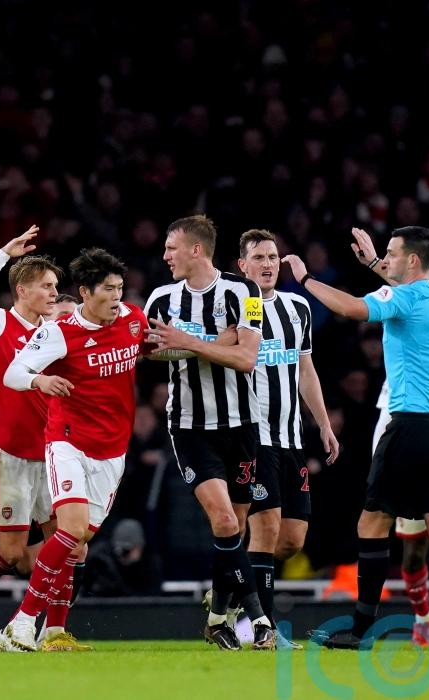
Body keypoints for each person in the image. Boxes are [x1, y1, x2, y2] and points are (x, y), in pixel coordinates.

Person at [286, 225, 429, 650]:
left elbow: (350, 308)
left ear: (412, 260)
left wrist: (305, 279)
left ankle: (360, 630)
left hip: (408, 428)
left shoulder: (405, 299)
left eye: (392, 254)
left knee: (372, 522)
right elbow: (402, 286)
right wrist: (374, 264)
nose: (387, 260)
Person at [0, 247, 148, 652]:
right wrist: (40, 381)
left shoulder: (133, 319)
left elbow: (151, 347)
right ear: (85, 292)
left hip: (112, 451)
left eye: (120, 288)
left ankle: (54, 633)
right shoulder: (59, 332)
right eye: (108, 289)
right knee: (71, 529)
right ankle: (20, 624)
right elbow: (13, 372)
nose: (117, 297)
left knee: (76, 544)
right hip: (68, 442)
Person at [142, 215, 277, 651]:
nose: (165, 256)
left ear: (196, 249)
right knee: (223, 520)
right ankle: (259, 620)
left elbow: (247, 358)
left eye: (171, 247)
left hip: (242, 424)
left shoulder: (246, 292)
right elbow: (150, 351)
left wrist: (189, 342)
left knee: (234, 526)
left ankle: (217, 619)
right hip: (190, 427)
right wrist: (219, 343)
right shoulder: (160, 299)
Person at [0, 227, 89, 652]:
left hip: (54, 449)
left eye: (55, 287)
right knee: (11, 554)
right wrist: (2, 254)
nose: (53, 293)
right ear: (22, 290)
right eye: (46, 286)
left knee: (70, 544)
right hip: (10, 449)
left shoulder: (56, 332)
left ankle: (55, 632)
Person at [233, 229, 340, 649]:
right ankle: (263, 629)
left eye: (273, 257)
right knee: (265, 530)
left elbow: (305, 369)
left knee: (292, 540)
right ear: (242, 265)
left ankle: (230, 586)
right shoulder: (236, 307)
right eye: (259, 257)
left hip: (291, 437)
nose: (268, 264)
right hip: (252, 436)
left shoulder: (298, 307)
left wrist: (324, 424)